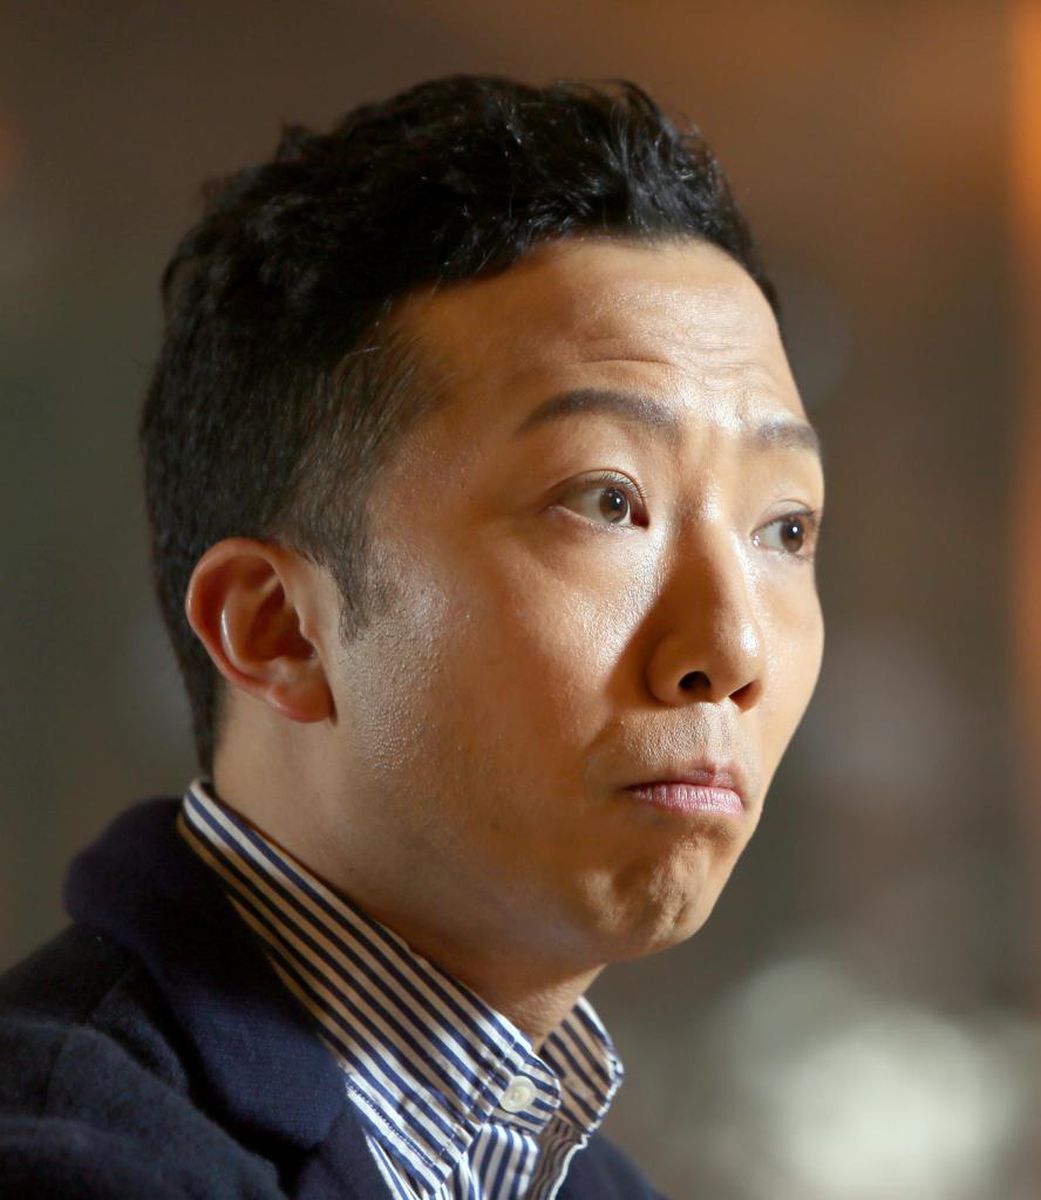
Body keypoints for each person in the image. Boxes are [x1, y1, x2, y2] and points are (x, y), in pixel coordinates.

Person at [0, 75, 824, 1198]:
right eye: (606, 501)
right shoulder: (74, 1160)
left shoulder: (582, 1181)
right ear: (279, 630)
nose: (733, 653)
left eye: (785, 528)